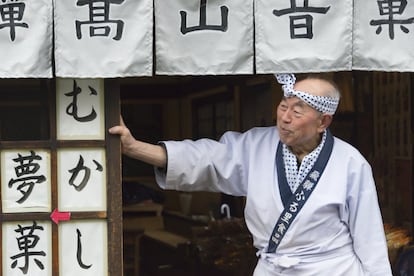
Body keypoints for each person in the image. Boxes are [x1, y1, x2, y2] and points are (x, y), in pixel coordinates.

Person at [109, 73, 392, 275]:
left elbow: (370, 241)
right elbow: (206, 159)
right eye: (283, 107)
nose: (285, 117)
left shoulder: (351, 163)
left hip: (333, 270)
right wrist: (134, 148)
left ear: (323, 121)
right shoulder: (256, 145)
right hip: (273, 268)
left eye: (298, 110)